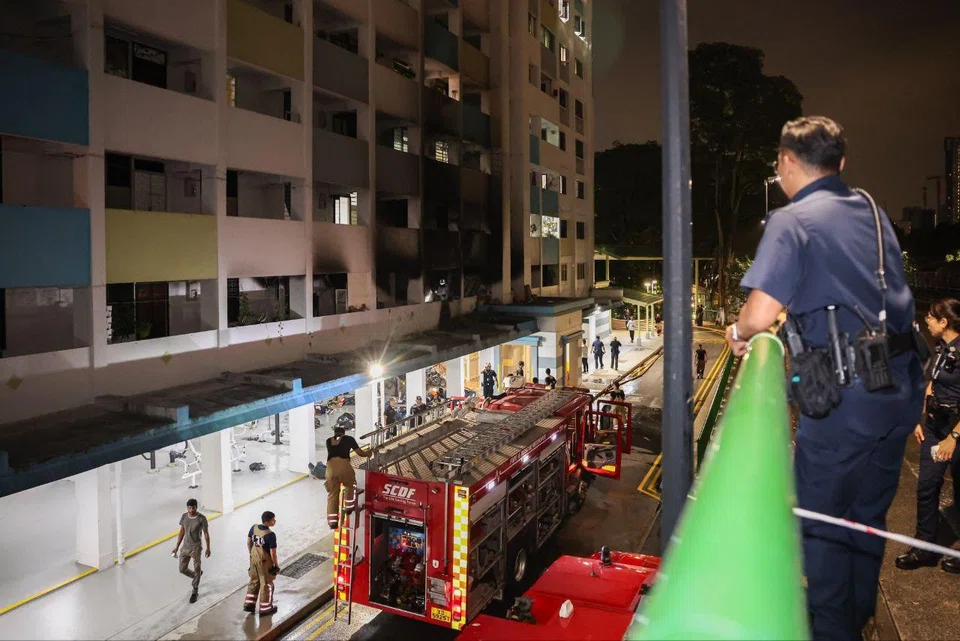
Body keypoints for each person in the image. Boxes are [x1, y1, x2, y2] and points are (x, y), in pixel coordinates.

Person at [725, 115, 924, 639]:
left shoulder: (793, 220)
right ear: (842, 164)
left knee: (824, 527)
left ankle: (834, 630)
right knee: (866, 518)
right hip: (898, 387)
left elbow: (760, 313)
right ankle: (857, 616)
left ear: (787, 162)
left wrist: (738, 330)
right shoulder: (872, 210)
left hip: (845, 402)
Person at [896, 299, 960, 574]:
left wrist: (953, 437)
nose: (927, 322)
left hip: (956, 431)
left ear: (945, 322)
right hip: (935, 427)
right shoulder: (941, 348)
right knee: (926, 489)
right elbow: (931, 384)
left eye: (932, 318)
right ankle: (924, 548)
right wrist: (920, 419)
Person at [325, 426, 370, 529]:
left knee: (332, 495)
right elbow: (360, 453)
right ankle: (349, 507)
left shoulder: (328, 441)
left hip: (330, 468)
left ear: (335, 433)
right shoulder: (349, 439)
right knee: (350, 484)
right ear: (343, 433)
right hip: (343, 465)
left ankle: (332, 522)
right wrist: (368, 453)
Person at [171, 498, 210, 604]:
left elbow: (206, 533)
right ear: (187, 508)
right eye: (189, 507)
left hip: (196, 547)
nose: (191, 509)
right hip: (185, 547)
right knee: (182, 569)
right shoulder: (184, 517)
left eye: (193, 507)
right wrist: (177, 547)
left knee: (197, 567)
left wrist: (208, 548)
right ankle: (197, 576)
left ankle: (195, 590)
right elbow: (182, 531)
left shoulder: (201, 518)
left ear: (196, 507)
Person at [244, 511, 279, 616]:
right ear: (268, 521)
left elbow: (249, 542)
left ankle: (249, 604)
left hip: (253, 559)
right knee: (266, 584)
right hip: (264, 562)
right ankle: (265, 608)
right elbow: (273, 553)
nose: (275, 521)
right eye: (273, 519)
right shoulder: (270, 535)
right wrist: (275, 565)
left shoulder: (254, 528)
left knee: (254, 581)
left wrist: (251, 554)